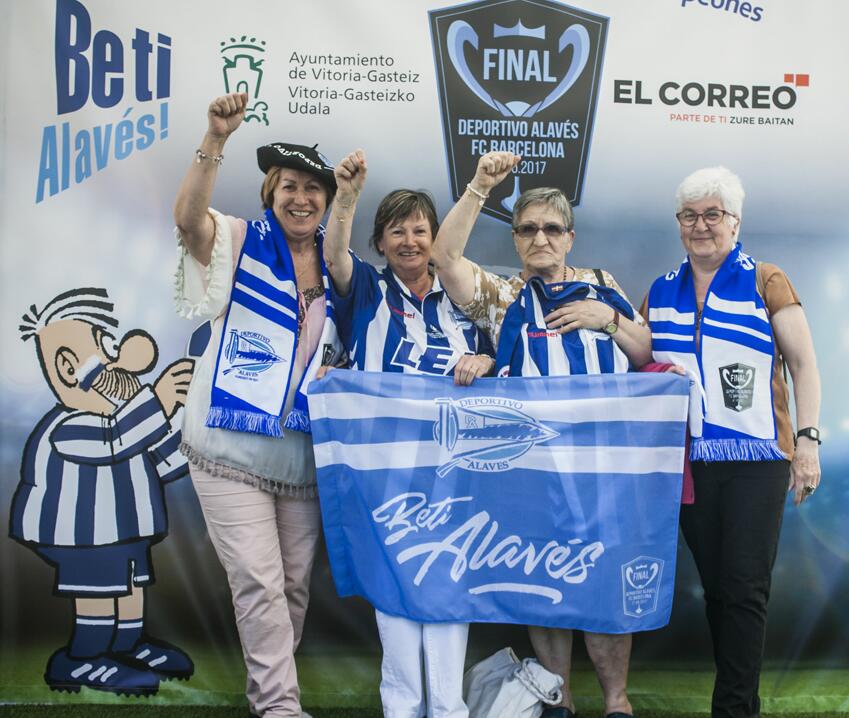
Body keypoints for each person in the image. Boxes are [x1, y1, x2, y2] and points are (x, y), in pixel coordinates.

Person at [429, 151, 651, 718]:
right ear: (515, 240)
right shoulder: (502, 297)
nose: (540, 238)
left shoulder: (602, 285)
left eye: (552, 229)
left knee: (603, 584)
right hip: (532, 472)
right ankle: (560, 699)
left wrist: (608, 320)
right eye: (527, 229)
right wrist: (480, 185)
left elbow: (644, 351)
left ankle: (617, 702)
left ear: (570, 238)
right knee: (545, 583)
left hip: (603, 470)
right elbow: (444, 256)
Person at [173, 92, 342, 718]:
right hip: (229, 448)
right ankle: (279, 708)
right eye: (289, 185)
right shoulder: (240, 239)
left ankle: (268, 698)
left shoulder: (339, 264)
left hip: (300, 456)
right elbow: (189, 222)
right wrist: (215, 138)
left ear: (327, 200)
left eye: (313, 188)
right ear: (271, 191)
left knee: (291, 588)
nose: (301, 198)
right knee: (260, 582)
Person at [643, 166, 821, 718]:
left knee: (745, 588)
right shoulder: (660, 290)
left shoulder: (766, 279)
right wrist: (606, 321)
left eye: (712, 214)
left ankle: (734, 709)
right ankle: (744, 701)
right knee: (719, 590)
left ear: (735, 222)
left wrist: (809, 443)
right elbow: (639, 360)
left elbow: (803, 365)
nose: (701, 226)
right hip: (688, 461)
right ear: (679, 223)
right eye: (689, 215)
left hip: (757, 459)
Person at [322, 149, 493, 718]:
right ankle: (402, 707)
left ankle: (447, 708)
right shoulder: (367, 291)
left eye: (421, 230)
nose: (410, 241)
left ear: (436, 237)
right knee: (394, 584)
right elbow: (334, 256)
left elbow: (505, 355)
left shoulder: (465, 295)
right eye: (397, 231)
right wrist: (346, 198)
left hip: (454, 468)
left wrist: (487, 361)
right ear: (380, 242)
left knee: (447, 582)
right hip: (384, 469)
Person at [10, 288, 193, 695]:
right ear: (68, 366)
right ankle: (81, 658)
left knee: (131, 584)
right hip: (82, 536)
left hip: (125, 531)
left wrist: (184, 422)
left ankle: (128, 645)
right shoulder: (68, 425)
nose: (122, 360)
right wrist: (159, 401)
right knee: (98, 587)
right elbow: (115, 440)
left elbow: (165, 459)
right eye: (108, 348)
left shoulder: (127, 420)